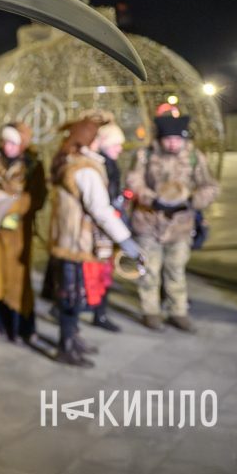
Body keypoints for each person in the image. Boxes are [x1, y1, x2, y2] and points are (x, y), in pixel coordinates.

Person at [48, 118, 142, 368]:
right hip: (77, 242)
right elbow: (100, 210)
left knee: (72, 294)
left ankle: (73, 339)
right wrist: (126, 240)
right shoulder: (86, 169)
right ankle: (65, 346)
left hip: (71, 240)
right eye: (97, 137)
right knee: (72, 296)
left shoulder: (75, 163)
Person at [127, 112, 219, 332]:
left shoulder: (194, 156)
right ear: (160, 138)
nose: (172, 143)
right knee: (149, 270)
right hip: (149, 222)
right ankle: (151, 311)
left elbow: (211, 186)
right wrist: (152, 199)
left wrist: (191, 201)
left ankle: (178, 312)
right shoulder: (145, 155)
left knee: (176, 270)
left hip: (180, 225)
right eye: (168, 139)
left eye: (177, 139)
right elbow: (133, 180)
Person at [0, 122, 47, 344]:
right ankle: (0, 324)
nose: (8, 147)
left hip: (18, 233)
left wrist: (12, 203)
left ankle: (22, 327)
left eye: (13, 142)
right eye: (5, 141)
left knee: (19, 283)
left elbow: (38, 198)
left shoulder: (33, 166)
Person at [88, 121, 126, 332]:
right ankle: (97, 313)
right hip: (99, 229)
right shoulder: (99, 166)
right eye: (115, 144)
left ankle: (99, 311)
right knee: (96, 272)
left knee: (103, 272)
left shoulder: (110, 164)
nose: (119, 149)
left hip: (108, 225)